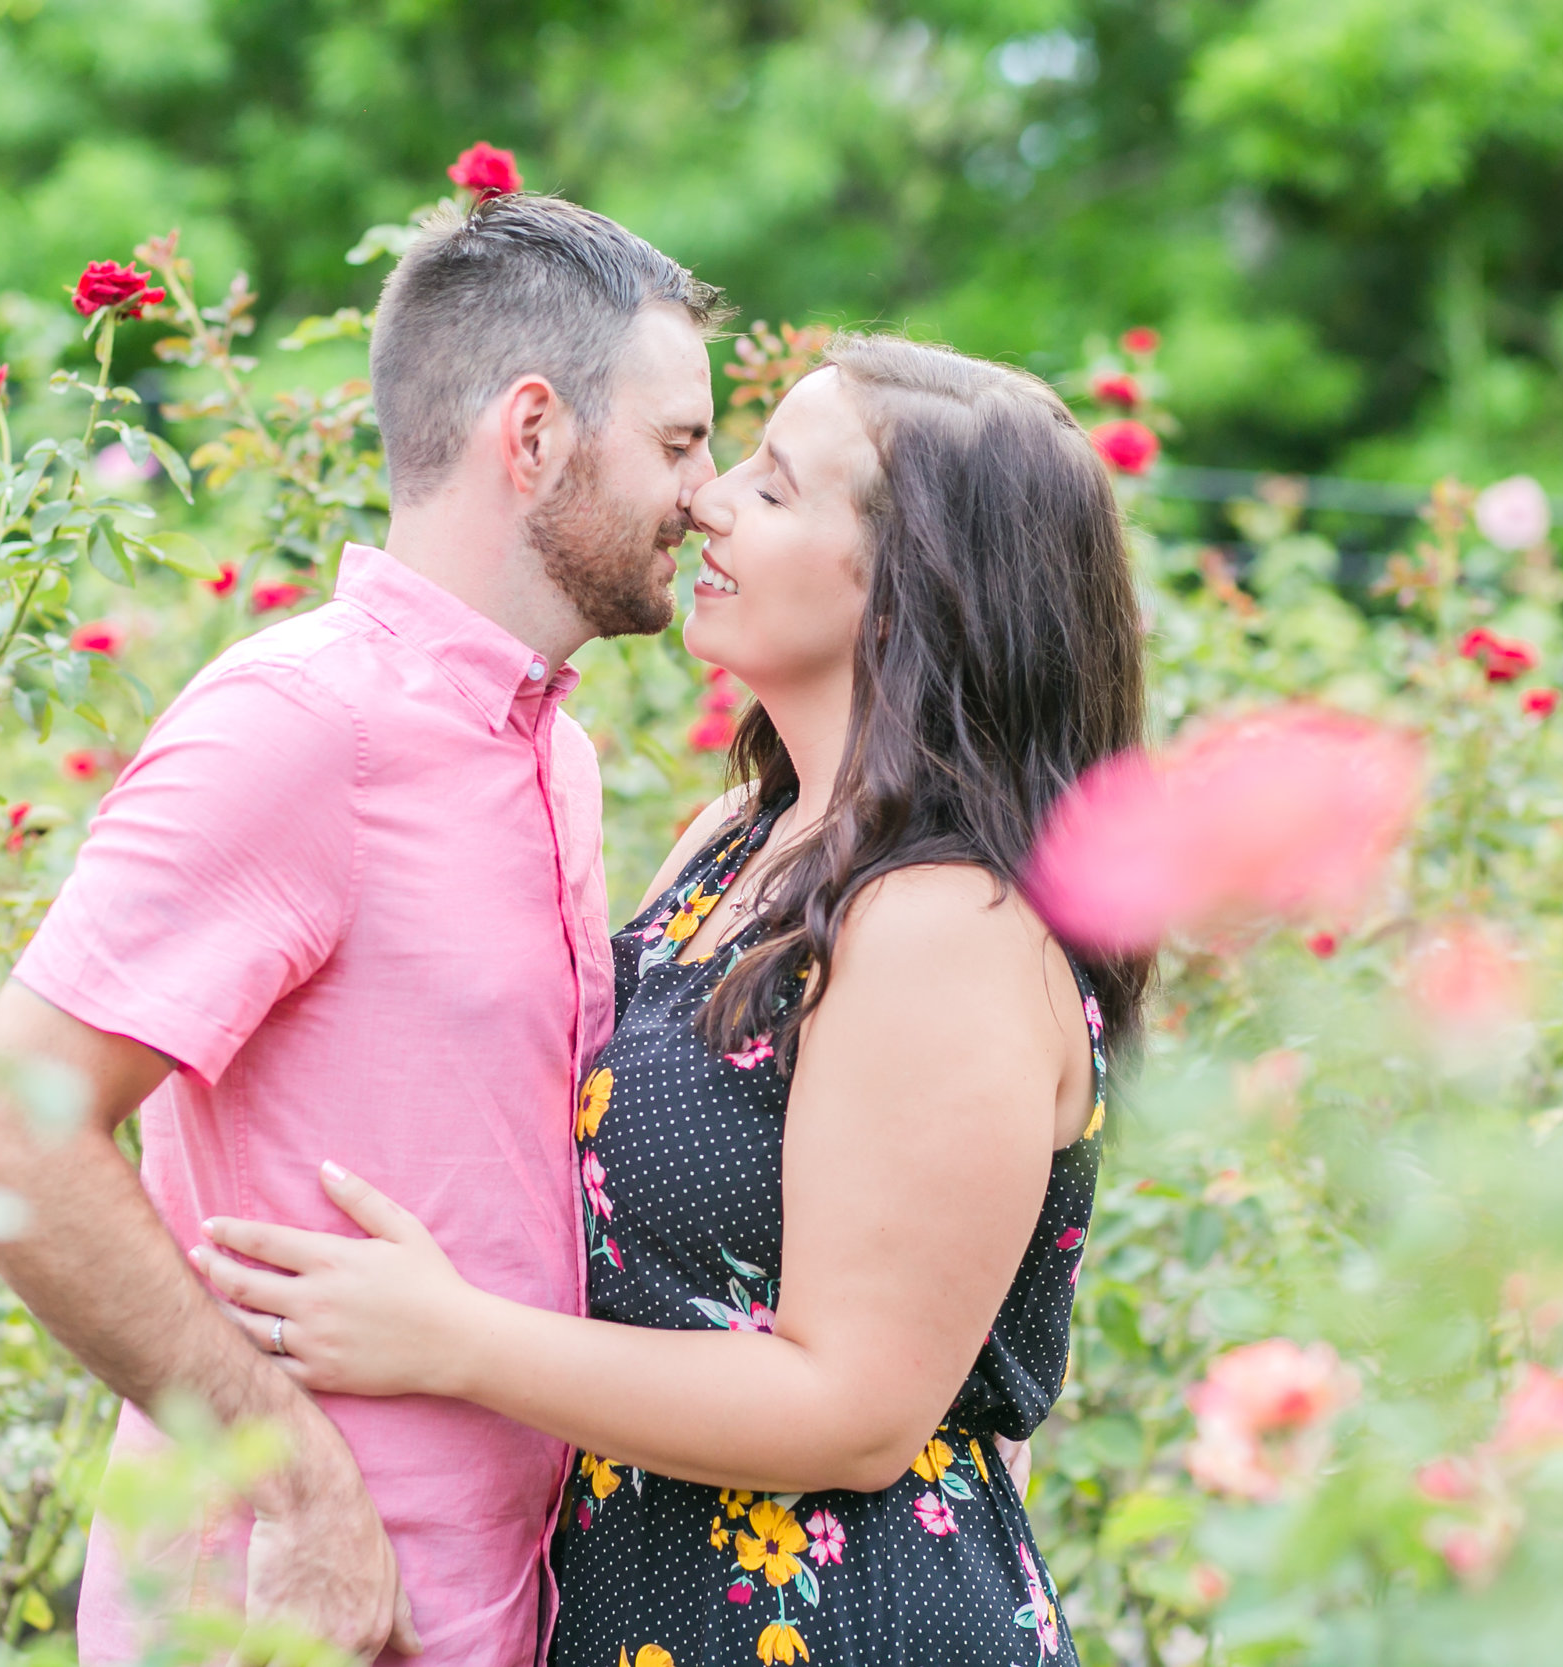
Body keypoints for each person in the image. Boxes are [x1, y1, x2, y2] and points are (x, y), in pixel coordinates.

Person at [193, 335, 1150, 1665]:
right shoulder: (733, 843)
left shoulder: (945, 923)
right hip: (652, 1604)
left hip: (839, 1628)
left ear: (904, 586)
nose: (710, 497)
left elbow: (857, 1408)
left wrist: (452, 1339)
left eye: (773, 485)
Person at [0, 192, 728, 1664]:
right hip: (283, 1615)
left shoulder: (555, 753)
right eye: (680, 443)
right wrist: (299, 1490)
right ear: (533, 435)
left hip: (499, 1607)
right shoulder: (298, 725)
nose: (712, 491)